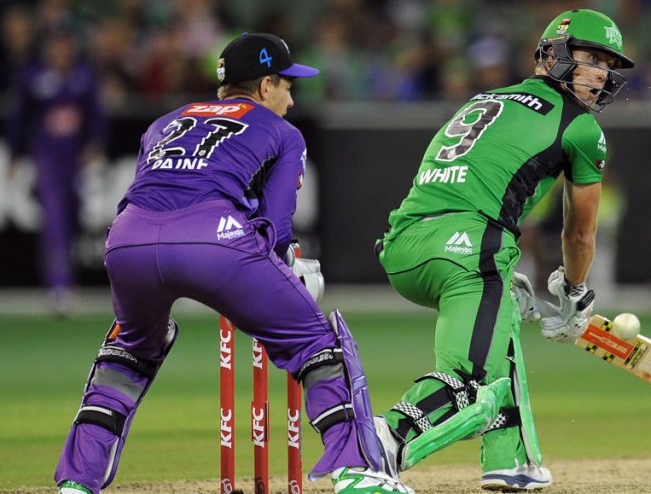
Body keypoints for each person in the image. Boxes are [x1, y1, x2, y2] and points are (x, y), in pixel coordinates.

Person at [54, 33, 414, 494]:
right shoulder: (284, 133)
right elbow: (277, 228)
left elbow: (149, 188)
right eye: (287, 86)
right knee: (316, 343)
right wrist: (285, 271)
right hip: (212, 239)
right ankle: (357, 473)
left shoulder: (165, 121)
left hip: (127, 240)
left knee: (130, 351)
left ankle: (77, 482)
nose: (290, 100)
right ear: (265, 86)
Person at [373, 9, 634, 491]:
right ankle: (377, 444)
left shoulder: (484, 98)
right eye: (592, 58)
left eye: (608, 64)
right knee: (468, 382)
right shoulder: (580, 127)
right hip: (470, 246)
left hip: (403, 244)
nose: (601, 73)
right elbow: (579, 234)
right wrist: (575, 293)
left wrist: (498, 269)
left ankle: (509, 459)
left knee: (504, 313)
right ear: (553, 55)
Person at [7, 26, 107, 315]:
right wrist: (14, 153)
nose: (61, 52)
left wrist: (95, 145)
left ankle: (65, 279)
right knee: (55, 220)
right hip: (47, 161)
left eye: (66, 46)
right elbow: (19, 118)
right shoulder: (33, 78)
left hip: (75, 163)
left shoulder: (84, 78)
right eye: (57, 46)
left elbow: (96, 116)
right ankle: (59, 286)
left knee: (74, 217)